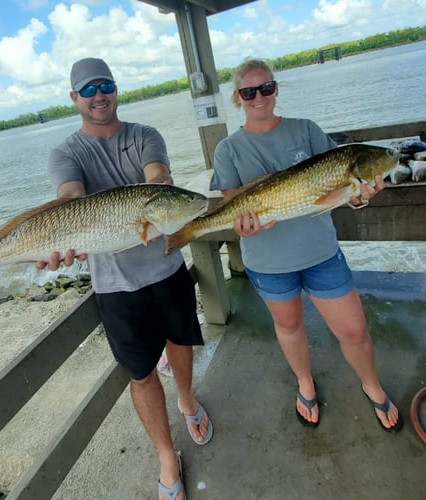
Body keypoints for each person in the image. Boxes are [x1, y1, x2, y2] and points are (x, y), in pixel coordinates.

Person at [39, 57, 213, 500]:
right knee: (140, 375)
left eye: (106, 85)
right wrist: (64, 232)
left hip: (167, 271)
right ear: (75, 98)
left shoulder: (144, 136)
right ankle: (166, 456)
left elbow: (157, 176)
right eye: (89, 89)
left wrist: (164, 189)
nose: (99, 95)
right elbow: (70, 195)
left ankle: (188, 401)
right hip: (115, 289)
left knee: (181, 345)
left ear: (116, 89)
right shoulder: (66, 152)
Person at [210, 58, 403, 432]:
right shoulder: (227, 150)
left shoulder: (307, 130)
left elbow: (346, 194)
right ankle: (304, 381)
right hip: (268, 262)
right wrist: (243, 228)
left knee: (355, 331)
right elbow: (235, 206)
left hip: (321, 254)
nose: (259, 97)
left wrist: (360, 196)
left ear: (276, 89)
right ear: (237, 97)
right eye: (249, 91)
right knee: (290, 327)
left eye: (266, 87)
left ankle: (372, 384)